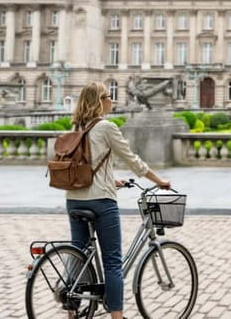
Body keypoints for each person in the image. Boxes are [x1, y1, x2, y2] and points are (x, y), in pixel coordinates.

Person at [67, 82, 171, 319]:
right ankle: (117, 316)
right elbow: (133, 160)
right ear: (100, 101)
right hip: (100, 201)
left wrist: (112, 180)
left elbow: (86, 167)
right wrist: (159, 180)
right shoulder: (106, 127)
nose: (112, 100)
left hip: (74, 199)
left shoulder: (78, 126)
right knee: (113, 261)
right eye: (109, 96)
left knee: (78, 253)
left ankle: (72, 313)